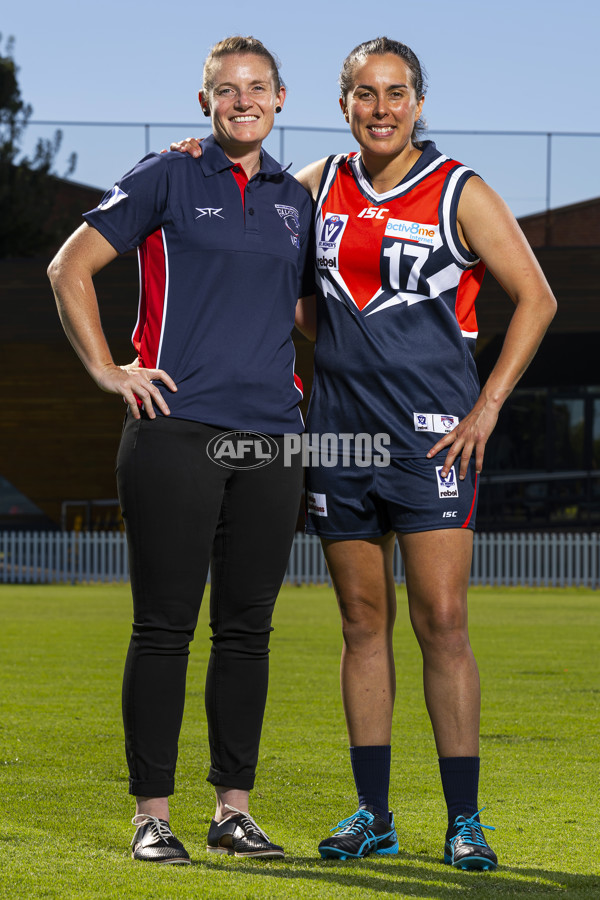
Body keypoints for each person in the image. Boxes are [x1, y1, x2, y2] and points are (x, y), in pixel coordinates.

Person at [170, 36, 556, 871]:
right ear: (341, 104)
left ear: (418, 101)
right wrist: (195, 155)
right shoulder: (314, 186)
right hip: (340, 438)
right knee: (361, 622)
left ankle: (464, 820)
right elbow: (276, 256)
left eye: (397, 92)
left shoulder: (460, 187)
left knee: (443, 623)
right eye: (364, 94)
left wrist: (486, 410)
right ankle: (374, 813)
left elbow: (538, 296)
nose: (381, 108)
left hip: (432, 440)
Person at [48, 35, 314, 864]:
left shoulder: (294, 201)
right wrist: (106, 369)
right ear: (205, 102)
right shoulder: (165, 173)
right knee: (165, 627)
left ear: (280, 100)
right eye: (227, 89)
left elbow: (308, 317)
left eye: (258, 88)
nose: (244, 100)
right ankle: (151, 817)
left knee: (249, 631)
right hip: (176, 431)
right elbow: (69, 268)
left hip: (273, 438)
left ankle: (234, 809)